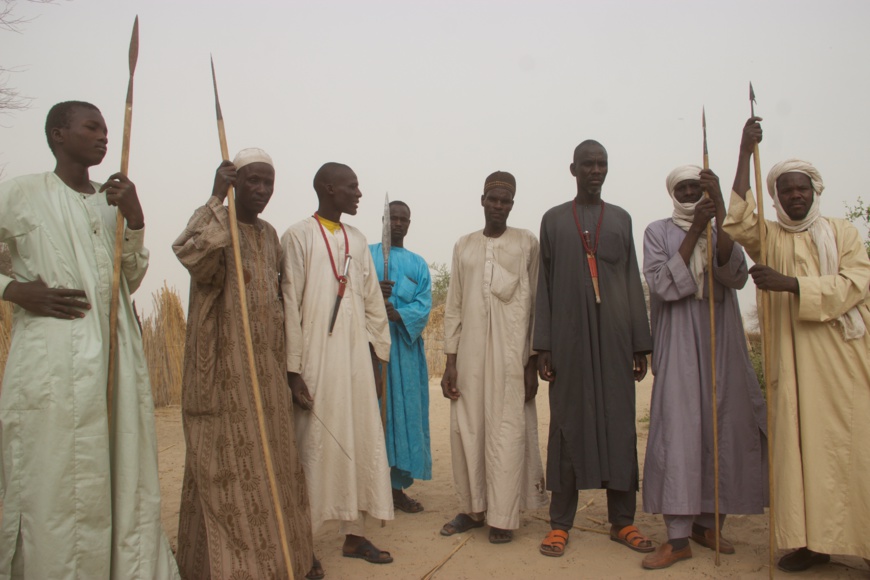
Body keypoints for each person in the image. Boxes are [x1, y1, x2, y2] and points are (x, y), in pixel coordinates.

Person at [0, 101, 178, 578]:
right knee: (57, 476)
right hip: (53, 359)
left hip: (116, 356)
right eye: (91, 127)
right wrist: (14, 290)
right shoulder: (22, 193)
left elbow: (129, 279)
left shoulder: (110, 200)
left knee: (119, 468)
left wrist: (135, 219)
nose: (103, 137)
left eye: (105, 129)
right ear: (58, 134)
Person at [723, 118, 870, 573]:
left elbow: (857, 283)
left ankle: (864, 543)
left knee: (850, 452)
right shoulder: (769, 238)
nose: (794, 196)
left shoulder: (842, 233)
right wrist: (744, 151)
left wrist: (790, 284)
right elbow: (737, 219)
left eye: (801, 188)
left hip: (841, 364)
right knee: (799, 454)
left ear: (814, 190)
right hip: (790, 364)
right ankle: (811, 543)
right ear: (776, 197)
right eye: (785, 190)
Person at [173, 149, 319, 580]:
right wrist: (215, 197)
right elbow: (190, 255)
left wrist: (290, 372)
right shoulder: (219, 226)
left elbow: (278, 303)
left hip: (266, 371)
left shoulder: (270, 236)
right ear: (235, 183)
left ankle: (286, 559)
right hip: (223, 369)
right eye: (252, 180)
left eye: (268, 182)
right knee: (224, 467)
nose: (261, 190)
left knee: (276, 464)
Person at [639, 164, 768, 570]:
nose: (690, 192)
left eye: (697, 187)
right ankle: (678, 537)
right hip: (678, 338)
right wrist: (696, 228)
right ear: (673, 192)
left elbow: (734, 275)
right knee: (678, 432)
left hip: (722, 338)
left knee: (723, 425)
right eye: (684, 187)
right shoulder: (657, 231)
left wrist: (720, 211)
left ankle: (709, 524)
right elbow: (663, 285)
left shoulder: (719, 229)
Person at [536, 140, 654, 558]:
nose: (596, 170)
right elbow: (544, 284)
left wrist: (639, 343)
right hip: (568, 339)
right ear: (573, 169)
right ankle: (559, 524)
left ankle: (623, 521)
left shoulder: (620, 219)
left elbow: (632, 279)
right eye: (588, 164)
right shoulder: (553, 220)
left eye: (602, 164)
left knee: (619, 424)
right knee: (567, 424)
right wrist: (544, 345)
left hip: (615, 338)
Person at [282, 162, 394, 565]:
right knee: (313, 445)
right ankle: (305, 544)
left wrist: (377, 359)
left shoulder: (358, 240)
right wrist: (294, 372)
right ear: (329, 189)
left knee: (360, 439)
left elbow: (372, 304)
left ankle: (355, 536)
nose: (358, 193)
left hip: (356, 363)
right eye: (352, 187)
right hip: (315, 361)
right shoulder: (297, 236)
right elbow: (290, 305)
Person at [440, 171, 547, 545]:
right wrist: (450, 362)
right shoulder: (464, 245)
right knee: (468, 428)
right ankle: (473, 509)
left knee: (507, 429)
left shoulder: (526, 242)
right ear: (482, 201)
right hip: (469, 355)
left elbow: (536, 305)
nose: (498, 206)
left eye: (505, 201)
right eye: (493, 199)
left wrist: (531, 362)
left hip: (512, 355)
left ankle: (503, 516)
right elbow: (454, 304)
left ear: (512, 205)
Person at [369, 201, 433, 514]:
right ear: (383, 220)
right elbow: (352, 294)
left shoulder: (418, 264)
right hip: (371, 351)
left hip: (405, 354)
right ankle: (370, 490)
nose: (397, 223)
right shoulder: (366, 256)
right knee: (373, 415)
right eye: (392, 218)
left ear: (409, 223)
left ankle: (396, 491)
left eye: (402, 219)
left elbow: (423, 305)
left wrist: (399, 314)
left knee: (403, 417)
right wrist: (373, 293)